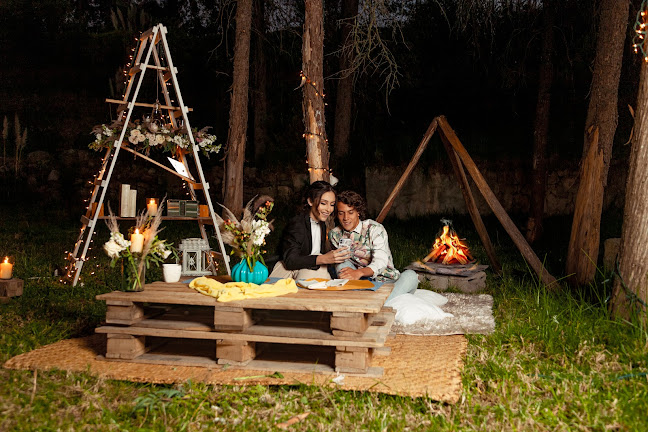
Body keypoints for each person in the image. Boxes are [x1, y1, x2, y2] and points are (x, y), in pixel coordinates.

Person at [329, 190, 419, 303]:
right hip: (360, 283)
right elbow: (343, 265)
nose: (346, 218)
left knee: (411, 276)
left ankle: (380, 303)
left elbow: (380, 262)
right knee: (340, 261)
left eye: (350, 212)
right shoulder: (335, 234)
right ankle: (367, 299)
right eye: (341, 213)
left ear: (358, 212)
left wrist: (359, 272)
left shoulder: (374, 228)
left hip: (387, 281)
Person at [270, 181, 350, 280]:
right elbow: (290, 260)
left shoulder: (322, 224)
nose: (328, 209)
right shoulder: (297, 224)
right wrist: (323, 258)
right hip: (294, 266)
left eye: (332, 204)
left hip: (312, 266)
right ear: (310, 201)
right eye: (323, 203)